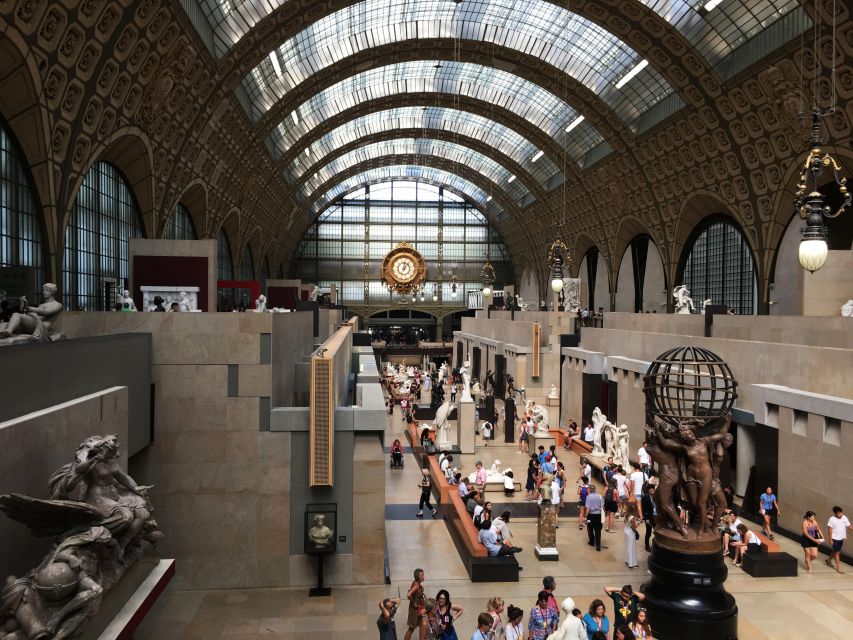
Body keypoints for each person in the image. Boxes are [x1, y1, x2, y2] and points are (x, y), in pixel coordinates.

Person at [826, 505, 852, 574]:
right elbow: (830, 529)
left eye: (841, 513)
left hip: (841, 538)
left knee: (835, 551)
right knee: (837, 553)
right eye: (838, 513)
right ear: (835, 513)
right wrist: (830, 539)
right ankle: (839, 568)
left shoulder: (844, 517)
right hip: (835, 539)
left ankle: (828, 560)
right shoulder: (832, 519)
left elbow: (849, 526)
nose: (840, 514)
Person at [404, 569, 426, 640]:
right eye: (422, 575)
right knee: (411, 629)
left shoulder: (417, 583)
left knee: (422, 625)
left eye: (423, 575)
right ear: (417, 577)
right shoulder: (416, 585)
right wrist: (414, 602)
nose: (424, 577)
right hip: (415, 610)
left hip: (419, 608)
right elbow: (409, 594)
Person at [585, 484, 604, 551]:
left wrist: (586, 516)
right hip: (598, 515)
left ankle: (592, 542)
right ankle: (598, 545)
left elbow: (588, 508)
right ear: (595, 490)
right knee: (598, 530)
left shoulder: (588, 497)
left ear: (589, 490)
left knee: (590, 529)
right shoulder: (600, 496)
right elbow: (602, 506)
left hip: (591, 515)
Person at [623, 504, 640, 569]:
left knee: (627, 546)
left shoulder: (626, 515)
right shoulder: (632, 517)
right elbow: (634, 527)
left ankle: (627, 560)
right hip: (630, 532)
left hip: (626, 531)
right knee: (631, 547)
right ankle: (631, 563)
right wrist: (638, 523)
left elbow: (625, 522)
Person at [640, 484, 656, 552]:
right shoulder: (645, 498)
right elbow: (644, 509)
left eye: (653, 489)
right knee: (648, 532)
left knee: (657, 532)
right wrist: (646, 518)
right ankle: (647, 546)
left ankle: (656, 545)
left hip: (657, 517)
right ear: (648, 490)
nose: (652, 490)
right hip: (649, 518)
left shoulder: (657, 497)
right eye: (650, 489)